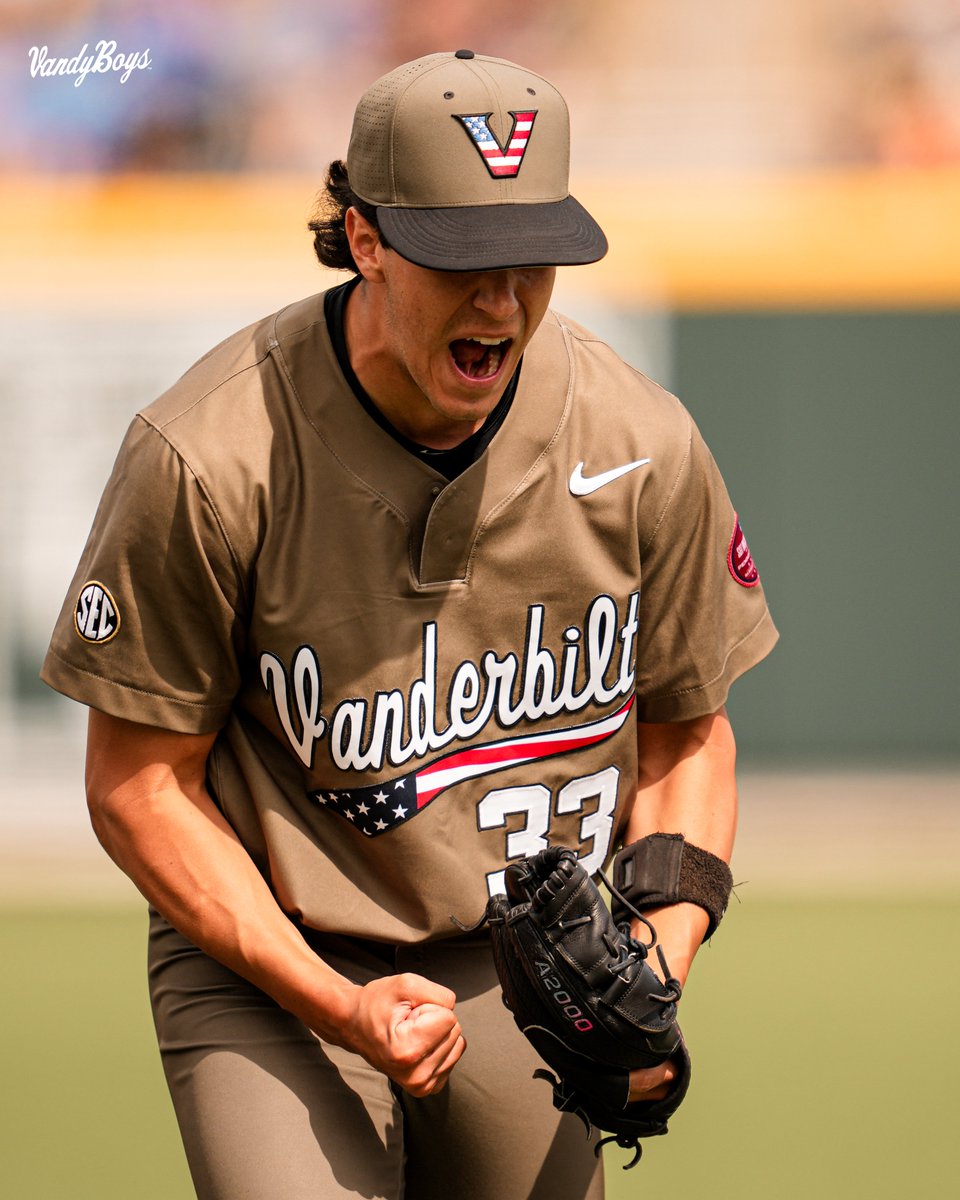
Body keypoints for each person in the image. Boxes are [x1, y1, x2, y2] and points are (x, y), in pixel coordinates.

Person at [42, 50, 777, 1200]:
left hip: (518, 959)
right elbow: (140, 787)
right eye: (463, 258)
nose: (503, 299)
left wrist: (651, 967)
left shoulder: (640, 440)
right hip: (275, 955)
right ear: (366, 236)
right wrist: (335, 1002)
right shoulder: (214, 454)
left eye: (533, 257)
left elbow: (688, 734)